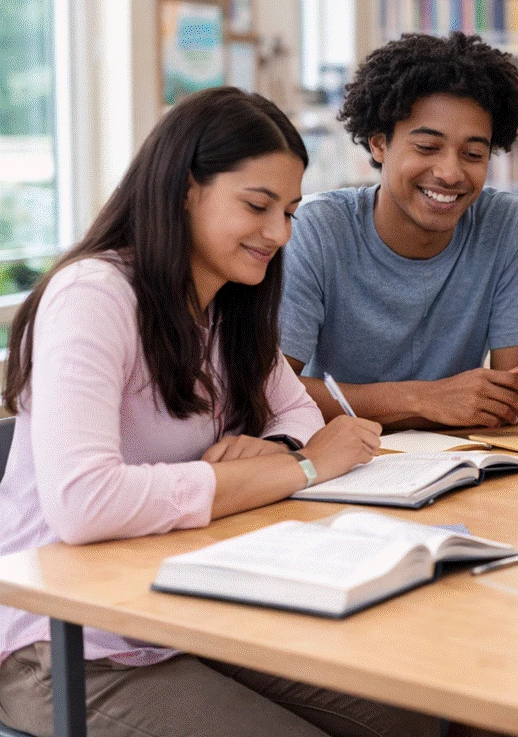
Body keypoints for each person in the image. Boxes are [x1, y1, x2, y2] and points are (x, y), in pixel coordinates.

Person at [0, 87, 444, 737]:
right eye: (257, 206)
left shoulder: (228, 304)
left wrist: (279, 450)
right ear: (186, 189)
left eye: (289, 212)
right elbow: (84, 502)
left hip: (189, 607)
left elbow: (298, 415)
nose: (280, 234)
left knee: (421, 717)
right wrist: (298, 470)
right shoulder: (94, 296)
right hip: (66, 640)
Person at [280, 32, 518, 430]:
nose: (450, 173)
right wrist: (423, 399)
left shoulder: (505, 225)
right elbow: (272, 393)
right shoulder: (317, 230)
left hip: (458, 457)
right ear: (379, 145)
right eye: (427, 147)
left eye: (473, 154)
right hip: (345, 456)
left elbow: (508, 401)